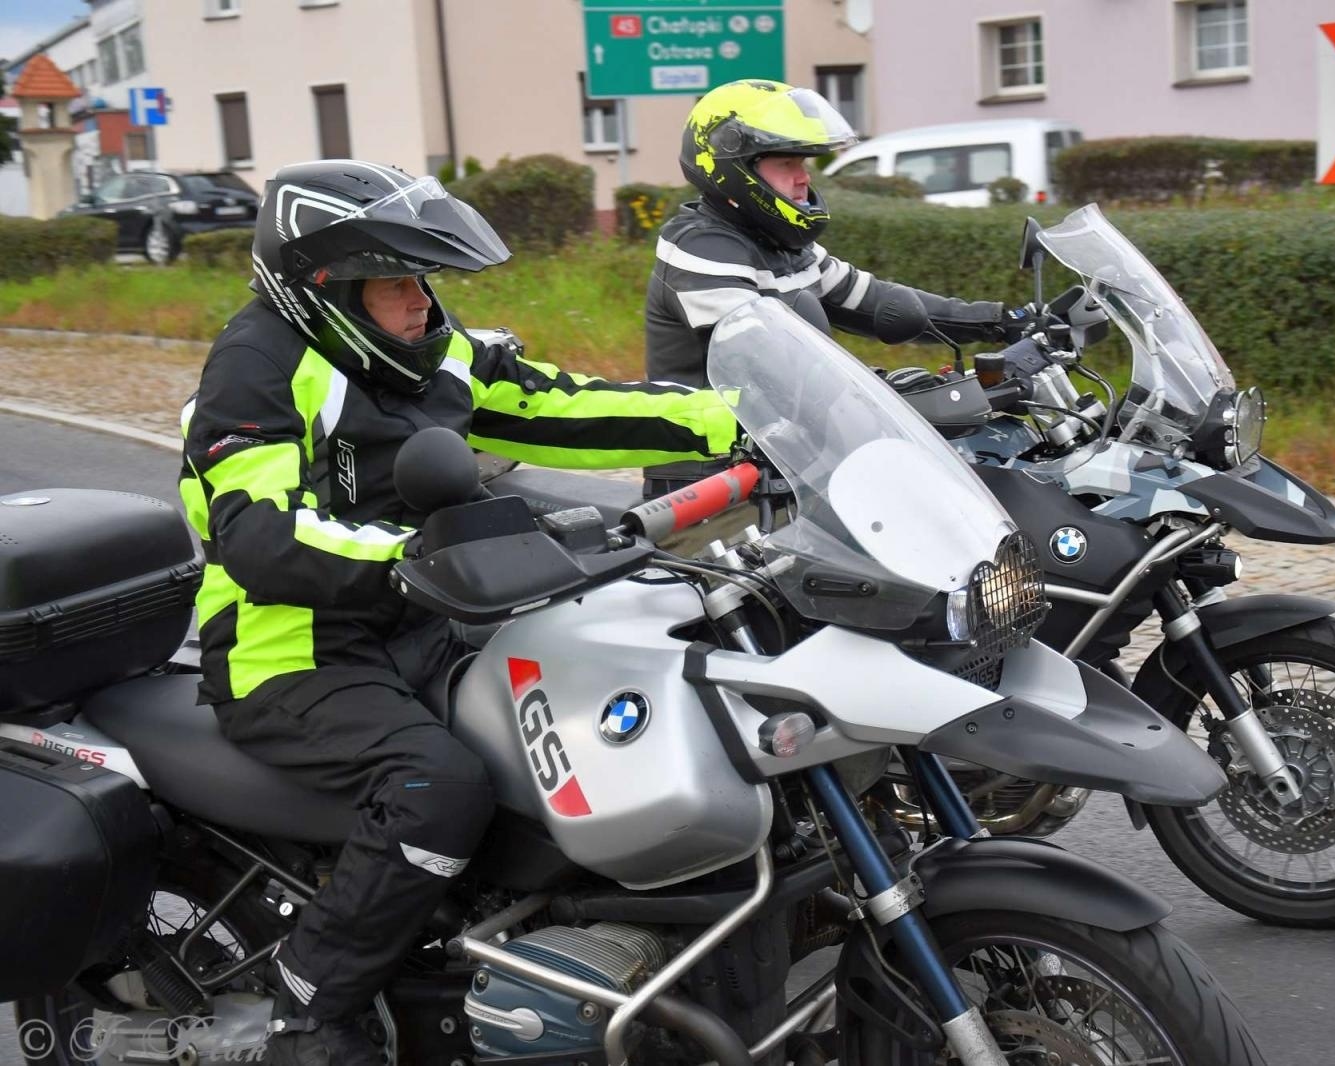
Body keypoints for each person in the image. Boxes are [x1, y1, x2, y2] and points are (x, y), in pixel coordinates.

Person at [179, 159, 736, 1065]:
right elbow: (262, 536)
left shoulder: (425, 352)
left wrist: (747, 420)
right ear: (327, 287)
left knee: (590, 704)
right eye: (394, 281)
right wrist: (419, 560)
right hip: (286, 650)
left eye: (422, 278)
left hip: (419, 623)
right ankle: (305, 1007)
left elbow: (564, 405)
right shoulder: (256, 369)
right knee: (436, 785)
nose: (420, 302)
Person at [643, 78, 1032, 497]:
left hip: (785, 466)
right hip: (705, 483)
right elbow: (766, 359)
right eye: (786, 166)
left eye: (804, 165)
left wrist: (1001, 320)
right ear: (733, 170)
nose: (803, 180)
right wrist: (880, 391)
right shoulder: (700, 248)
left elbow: (873, 300)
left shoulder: (783, 246)